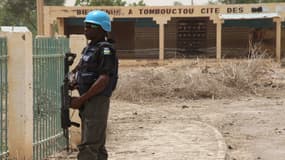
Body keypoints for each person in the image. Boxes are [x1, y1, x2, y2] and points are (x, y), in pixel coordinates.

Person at [70, 10, 118, 160]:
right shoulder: (89, 49)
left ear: (102, 29)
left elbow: (103, 80)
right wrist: (73, 81)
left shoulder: (105, 50)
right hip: (88, 99)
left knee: (89, 146)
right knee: (96, 145)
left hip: (96, 100)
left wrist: (81, 99)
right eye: (85, 25)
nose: (86, 29)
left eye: (90, 26)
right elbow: (78, 70)